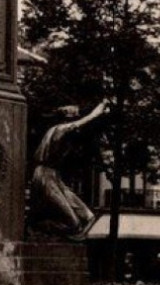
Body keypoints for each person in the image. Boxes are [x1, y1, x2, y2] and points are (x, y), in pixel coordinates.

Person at [27, 101, 110, 241]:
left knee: (89, 217)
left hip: (54, 176)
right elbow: (78, 124)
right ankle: (38, 226)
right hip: (44, 175)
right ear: (67, 119)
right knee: (74, 223)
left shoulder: (66, 136)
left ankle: (54, 235)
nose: (77, 124)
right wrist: (98, 112)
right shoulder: (59, 129)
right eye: (75, 118)